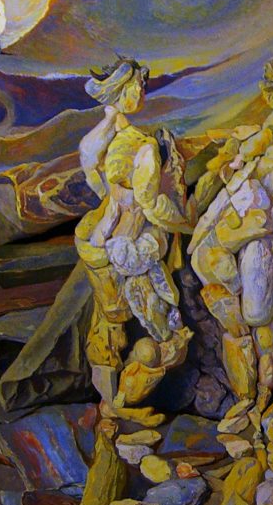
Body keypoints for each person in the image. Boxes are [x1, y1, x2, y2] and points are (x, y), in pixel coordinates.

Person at [75, 56, 195, 428]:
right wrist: (187, 223)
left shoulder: (96, 141)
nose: (143, 92)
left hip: (96, 242)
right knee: (164, 341)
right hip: (130, 250)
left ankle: (109, 406)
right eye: (139, 86)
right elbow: (152, 205)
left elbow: (95, 180)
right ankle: (120, 405)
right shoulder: (141, 146)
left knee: (108, 328)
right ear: (123, 91)